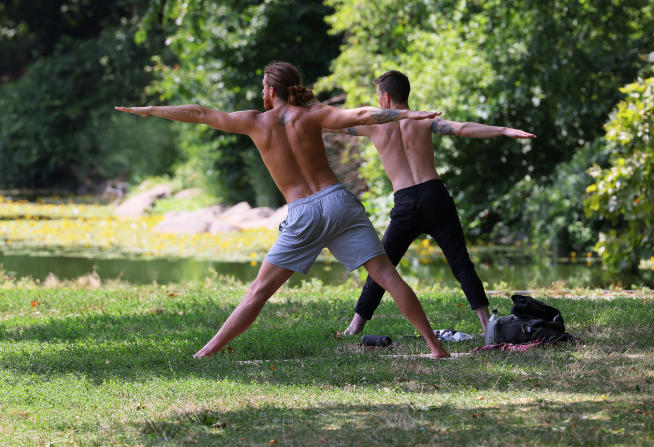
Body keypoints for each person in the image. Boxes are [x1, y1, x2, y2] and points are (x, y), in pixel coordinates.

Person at [116, 61, 450, 358]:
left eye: (263, 86)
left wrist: (151, 109)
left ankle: (206, 353)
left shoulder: (254, 122)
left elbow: (200, 113)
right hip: (339, 202)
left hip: (302, 212)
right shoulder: (313, 114)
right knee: (387, 275)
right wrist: (406, 113)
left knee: (259, 291)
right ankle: (436, 348)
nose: (262, 91)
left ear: (270, 89)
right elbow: (362, 114)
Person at [325, 70, 536, 336]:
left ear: (386, 97)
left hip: (406, 203)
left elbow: (328, 122)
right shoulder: (424, 120)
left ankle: (356, 326)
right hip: (434, 196)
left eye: (379, 97)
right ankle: (486, 325)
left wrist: (290, 115)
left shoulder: (373, 126)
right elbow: (462, 128)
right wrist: (503, 130)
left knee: (383, 266)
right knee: (461, 262)